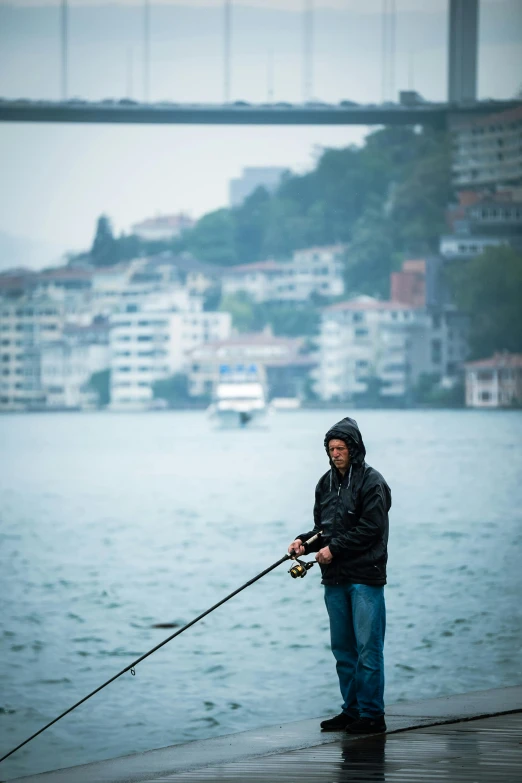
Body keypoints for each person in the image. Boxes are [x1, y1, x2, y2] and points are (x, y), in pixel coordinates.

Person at [288, 416, 391, 734]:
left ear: (354, 449)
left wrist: (335, 550)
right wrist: (304, 543)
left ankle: (372, 716)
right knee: (343, 649)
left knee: (367, 649)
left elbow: (371, 528)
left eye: (341, 448)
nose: (335, 453)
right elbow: (325, 530)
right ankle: (352, 710)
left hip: (365, 578)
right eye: (331, 448)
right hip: (334, 578)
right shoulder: (325, 483)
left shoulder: (372, 482)